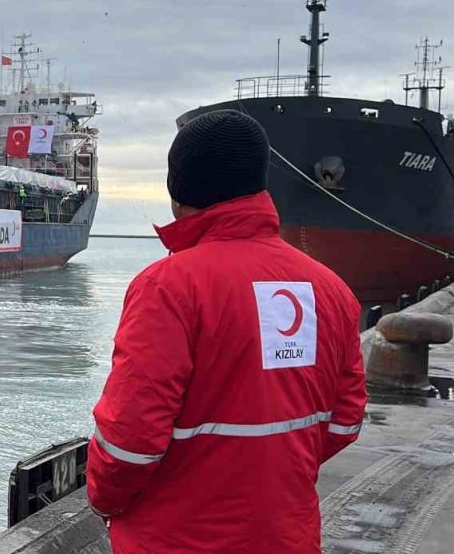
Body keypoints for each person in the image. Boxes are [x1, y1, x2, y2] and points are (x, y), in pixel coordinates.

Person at [87, 110, 366, 553]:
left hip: (174, 542)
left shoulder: (167, 287)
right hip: (286, 537)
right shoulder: (331, 289)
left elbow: (129, 444)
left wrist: (104, 501)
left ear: (178, 191)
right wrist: (273, 473)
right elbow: (346, 420)